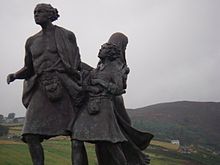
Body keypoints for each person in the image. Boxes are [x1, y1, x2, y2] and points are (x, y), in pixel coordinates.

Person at [7, 3, 88, 165]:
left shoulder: (67, 35)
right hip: (40, 86)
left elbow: (76, 63)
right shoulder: (31, 41)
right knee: (30, 134)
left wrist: (96, 73)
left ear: (51, 14)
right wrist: (15, 75)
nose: (36, 14)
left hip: (64, 85)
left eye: (40, 11)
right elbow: (29, 68)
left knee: (76, 135)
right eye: (34, 12)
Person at [95, 32, 154, 165]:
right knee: (106, 135)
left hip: (113, 101)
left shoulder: (118, 66)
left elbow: (120, 88)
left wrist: (101, 82)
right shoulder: (104, 63)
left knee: (115, 132)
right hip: (110, 100)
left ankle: (135, 154)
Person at [72, 43, 128, 164]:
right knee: (76, 140)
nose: (100, 50)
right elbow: (87, 85)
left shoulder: (114, 68)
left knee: (110, 143)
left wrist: (100, 82)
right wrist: (89, 87)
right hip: (89, 106)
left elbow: (118, 89)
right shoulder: (97, 68)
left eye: (103, 49)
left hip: (104, 107)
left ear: (109, 53)